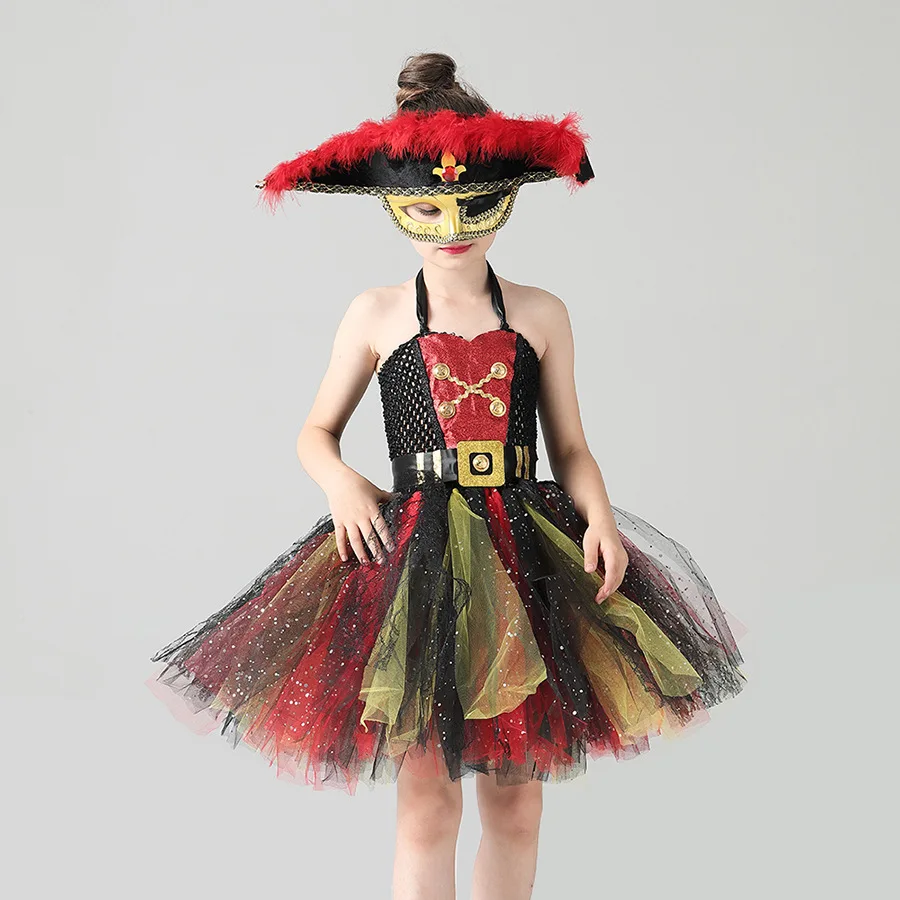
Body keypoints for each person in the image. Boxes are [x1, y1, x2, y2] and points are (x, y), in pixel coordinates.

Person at [147, 52, 745, 900]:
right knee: (426, 804)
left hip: (526, 554)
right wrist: (341, 482)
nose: (451, 225)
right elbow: (314, 433)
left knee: (517, 803)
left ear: (508, 194)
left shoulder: (540, 312)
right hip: (416, 562)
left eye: (472, 205)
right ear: (394, 204)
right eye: (425, 208)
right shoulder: (376, 313)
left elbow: (571, 447)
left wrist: (603, 520)